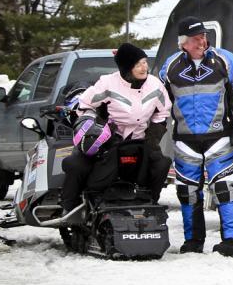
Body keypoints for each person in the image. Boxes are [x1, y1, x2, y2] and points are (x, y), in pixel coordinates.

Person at [160, 16, 233, 257]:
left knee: (225, 188)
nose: (201, 41)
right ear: (183, 43)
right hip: (184, 140)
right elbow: (159, 101)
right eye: (195, 38)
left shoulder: (225, 59)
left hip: (219, 137)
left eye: (202, 36)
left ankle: (231, 242)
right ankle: (193, 241)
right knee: (187, 192)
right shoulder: (170, 67)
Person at [61, 43, 172, 213]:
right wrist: (94, 128)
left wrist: (153, 137)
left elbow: (163, 112)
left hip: (140, 141)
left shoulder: (155, 85)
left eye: (144, 62)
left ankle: (150, 203)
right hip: (106, 140)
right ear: (127, 67)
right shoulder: (108, 83)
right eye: (137, 64)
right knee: (76, 165)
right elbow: (84, 105)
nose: (144, 67)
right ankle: (70, 208)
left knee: (162, 163)